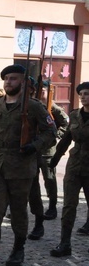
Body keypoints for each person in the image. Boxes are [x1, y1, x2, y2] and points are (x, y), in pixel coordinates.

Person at [0, 64, 56, 266]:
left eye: (14, 79)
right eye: (6, 78)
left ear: (23, 82)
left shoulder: (33, 107)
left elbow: (50, 132)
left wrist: (34, 146)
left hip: (21, 166)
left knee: (17, 210)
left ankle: (18, 248)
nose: (9, 82)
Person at [49, 82, 89, 256]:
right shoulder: (75, 115)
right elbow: (66, 139)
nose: (83, 97)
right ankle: (64, 244)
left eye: (87, 94)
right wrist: (55, 159)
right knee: (68, 206)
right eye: (81, 94)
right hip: (74, 166)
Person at [27, 79, 68, 227]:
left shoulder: (54, 108)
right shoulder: (32, 105)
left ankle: (52, 206)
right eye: (38, 91)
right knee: (30, 179)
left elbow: (66, 123)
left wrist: (57, 134)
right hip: (32, 147)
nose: (40, 94)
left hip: (47, 150)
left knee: (49, 178)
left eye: (43, 91)